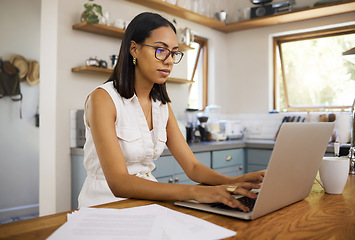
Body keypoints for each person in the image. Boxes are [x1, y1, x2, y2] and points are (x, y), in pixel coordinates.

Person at [78, 12, 265, 211]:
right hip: (104, 205)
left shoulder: (161, 105)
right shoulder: (103, 99)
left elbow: (193, 168)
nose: (168, 60)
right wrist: (195, 192)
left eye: (174, 53)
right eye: (160, 50)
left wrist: (234, 181)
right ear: (134, 49)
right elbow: (120, 183)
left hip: (147, 202)